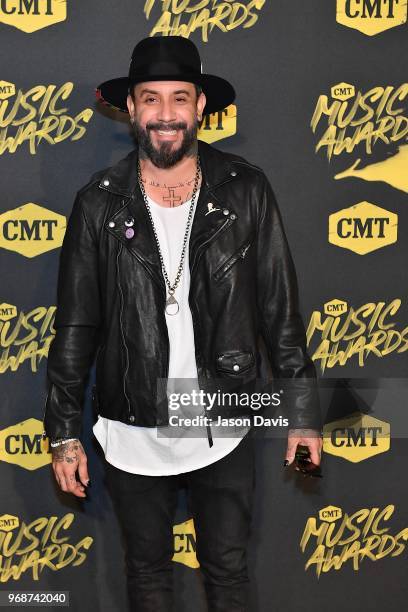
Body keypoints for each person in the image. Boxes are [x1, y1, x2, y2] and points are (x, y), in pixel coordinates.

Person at [42, 35, 323, 611]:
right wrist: (64, 432)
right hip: (131, 425)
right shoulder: (98, 203)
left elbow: (280, 312)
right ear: (131, 109)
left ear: (200, 107)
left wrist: (303, 414)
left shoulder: (245, 190)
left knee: (229, 573)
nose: (165, 115)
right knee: (147, 577)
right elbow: (76, 326)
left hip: (223, 417)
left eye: (179, 98)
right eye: (151, 99)